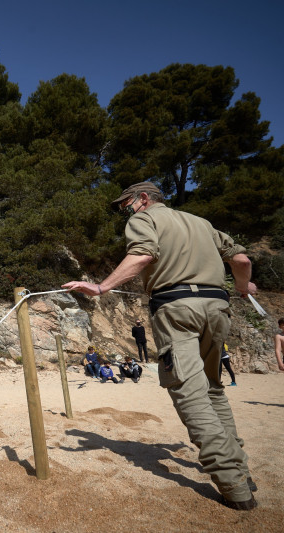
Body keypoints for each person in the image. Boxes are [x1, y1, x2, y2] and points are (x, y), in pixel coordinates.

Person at [62, 181, 258, 510]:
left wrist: (101, 287)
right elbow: (240, 259)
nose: (124, 211)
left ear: (143, 198)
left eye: (125, 204)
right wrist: (242, 286)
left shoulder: (144, 219)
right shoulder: (202, 223)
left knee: (190, 394)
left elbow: (142, 255)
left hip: (176, 310)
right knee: (212, 389)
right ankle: (242, 470)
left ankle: (234, 484)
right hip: (218, 308)